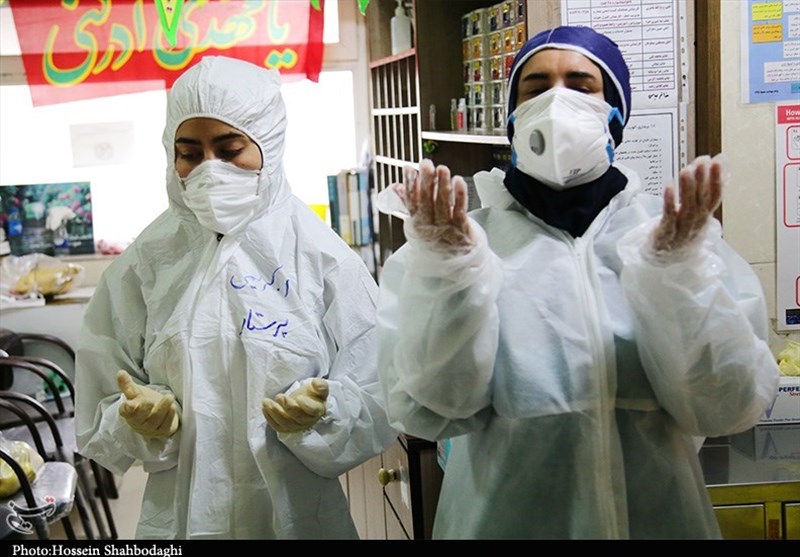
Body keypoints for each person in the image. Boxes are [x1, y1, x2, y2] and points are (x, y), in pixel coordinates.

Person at [374, 26, 780, 539]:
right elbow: (431, 412)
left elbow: (728, 407)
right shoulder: (458, 247)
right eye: (536, 87)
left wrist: (679, 279)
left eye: (581, 85)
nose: (556, 101)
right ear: (513, 116)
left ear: (615, 114)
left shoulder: (672, 242)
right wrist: (452, 278)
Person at [74, 56, 398, 540]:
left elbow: (378, 391)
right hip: (181, 519)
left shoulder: (323, 259)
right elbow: (102, 396)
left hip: (296, 519)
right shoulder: (143, 265)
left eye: (229, 150)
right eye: (190, 153)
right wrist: (140, 420)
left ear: (269, 143)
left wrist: (323, 413)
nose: (210, 170)